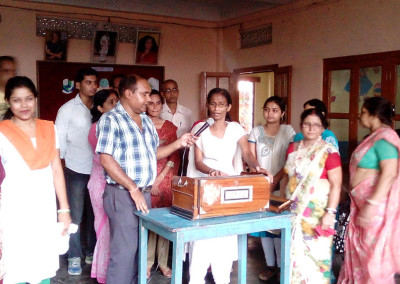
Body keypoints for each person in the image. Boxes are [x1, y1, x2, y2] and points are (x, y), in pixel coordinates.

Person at [96, 75, 195, 284]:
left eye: (149, 93)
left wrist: (179, 143)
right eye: (144, 94)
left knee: (139, 250)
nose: (149, 99)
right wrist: (132, 188)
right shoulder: (111, 119)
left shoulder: (146, 122)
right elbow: (105, 158)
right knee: (124, 253)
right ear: (128, 93)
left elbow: (153, 153)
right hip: (123, 194)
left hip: (144, 194)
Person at [188, 88, 272, 284]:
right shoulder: (199, 128)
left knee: (224, 240)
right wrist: (212, 172)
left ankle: (222, 279)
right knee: (202, 240)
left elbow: (247, 153)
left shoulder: (235, 128)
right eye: (212, 104)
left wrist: (258, 167)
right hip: (206, 189)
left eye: (221, 104)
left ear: (229, 107)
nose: (216, 108)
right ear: (207, 105)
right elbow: (198, 162)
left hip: (229, 190)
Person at [0, 76, 71, 283]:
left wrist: (64, 210)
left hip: (44, 206)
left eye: (29, 99)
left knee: (43, 261)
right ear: (8, 102)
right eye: (17, 100)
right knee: (17, 262)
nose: (24, 105)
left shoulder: (49, 128)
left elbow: (57, 170)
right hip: (13, 207)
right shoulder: (2, 131)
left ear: (36, 99)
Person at [338, 97, 400, 283]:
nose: (359, 116)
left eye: (363, 112)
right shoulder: (373, 138)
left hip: (375, 213)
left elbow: (389, 173)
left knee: (373, 261)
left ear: (374, 115)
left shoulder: (385, 139)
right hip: (362, 209)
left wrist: (372, 205)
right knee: (363, 261)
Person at [280, 108, 342, 283]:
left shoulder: (329, 152)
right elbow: (287, 177)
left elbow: (336, 185)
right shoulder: (292, 148)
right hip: (292, 212)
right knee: (291, 257)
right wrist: (281, 205)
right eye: (307, 124)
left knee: (315, 260)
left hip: (317, 216)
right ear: (301, 126)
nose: (311, 128)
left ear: (323, 129)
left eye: (317, 125)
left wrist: (330, 213)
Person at [55, 67, 98, 275]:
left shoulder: (100, 108)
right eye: (88, 82)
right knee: (75, 218)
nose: (93, 86)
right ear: (79, 85)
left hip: (98, 171)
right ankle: (74, 256)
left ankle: (91, 252)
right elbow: (60, 140)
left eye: (95, 82)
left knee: (95, 215)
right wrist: (61, 166)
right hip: (75, 170)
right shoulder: (67, 109)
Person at [248, 96, 295, 281]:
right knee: (264, 225)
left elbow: (290, 158)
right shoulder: (255, 131)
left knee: (279, 223)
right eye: (267, 109)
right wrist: (261, 179)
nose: (270, 113)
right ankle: (270, 265)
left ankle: (283, 266)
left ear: (282, 113)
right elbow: (251, 158)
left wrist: (275, 179)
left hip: (282, 182)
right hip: (260, 182)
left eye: (275, 110)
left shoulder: (288, 131)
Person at [145, 89, 180, 279]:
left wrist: (160, 178)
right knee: (150, 221)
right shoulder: (139, 124)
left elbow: (174, 156)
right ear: (146, 104)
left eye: (158, 103)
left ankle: (164, 262)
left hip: (165, 179)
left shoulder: (170, 127)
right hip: (145, 178)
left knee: (164, 221)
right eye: (151, 103)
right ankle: (147, 262)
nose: (155, 107)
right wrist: (151, 180)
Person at [87, 89, 118, 283]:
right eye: (110, 103)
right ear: (100, 108)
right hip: (100, 183)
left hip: (113, 182)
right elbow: (108, 158)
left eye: (117, 101)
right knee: (105, 228)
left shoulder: (116, 125)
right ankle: (103, 274)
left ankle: (110, 272)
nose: (115, 106)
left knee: (114, 229)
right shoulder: (96, 128)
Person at [160, 79, 193, 175]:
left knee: (180, 177)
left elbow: (190, 132)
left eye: (174, 90)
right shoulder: (159, 111)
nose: (172, 93)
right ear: (162, 94)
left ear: (178, 92)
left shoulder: (187, 112)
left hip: (182, 152)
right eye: (168, 91)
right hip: (165, 152)